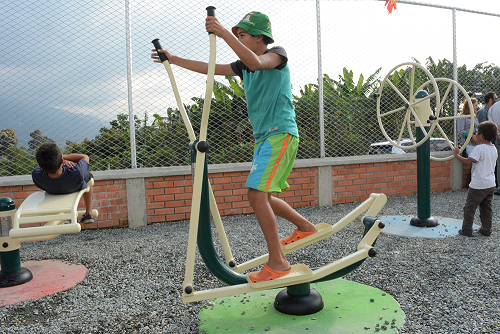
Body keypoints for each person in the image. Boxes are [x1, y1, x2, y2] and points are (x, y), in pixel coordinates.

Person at [152, 11, 318, 282]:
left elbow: (255, 61)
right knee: (262, 195)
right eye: (236, 34)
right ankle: (305, 226)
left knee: (256, 194)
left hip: (281, 134)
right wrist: (173, 59)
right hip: (265, 139)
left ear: (259, 37)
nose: (238, 38)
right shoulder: (244, 66)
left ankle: (278, 263)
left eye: (242, 35)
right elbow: (210, 68)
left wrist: (222, 32)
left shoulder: (276, 55)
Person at [453, 121, 498, 237]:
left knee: (469, 207)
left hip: (478, 185)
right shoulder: (494, 149)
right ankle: (486, 229)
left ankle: (467, 230)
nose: (475, 135)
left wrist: (456, 155)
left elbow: (468, 162)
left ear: (482, 135)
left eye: (477, 133)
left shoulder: (479, 149)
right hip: (490, 184)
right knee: (487, 208)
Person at [32, 143, 94, 224]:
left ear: (40, 165)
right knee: (89, 176)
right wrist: (62, 158)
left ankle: (66, 213)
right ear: (62, 161)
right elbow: (85, 157)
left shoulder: (36, 175)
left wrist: (59, 160)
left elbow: (39, 167)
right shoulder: (77, 172)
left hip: (52, 190)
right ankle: (89, 212)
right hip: (74, 187)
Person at [488, 98, 500, 194]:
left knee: (498, 160)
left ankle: (499, 186)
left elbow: (490, 120)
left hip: (497, 133)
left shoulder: (493, 107)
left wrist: (498, 133)